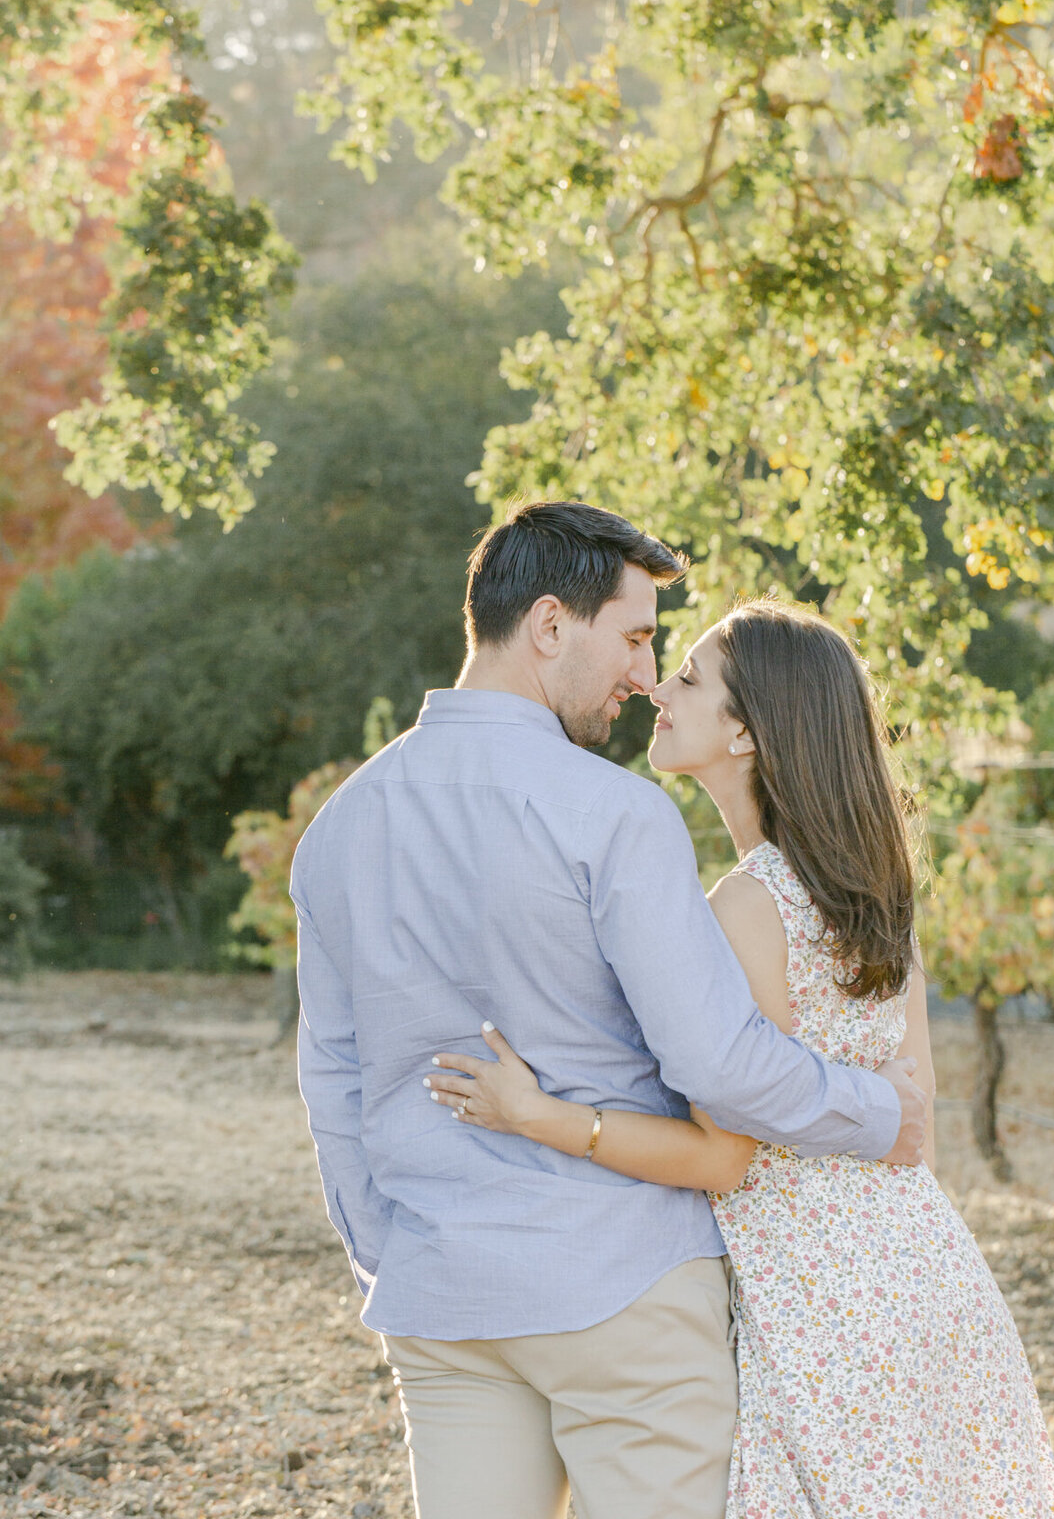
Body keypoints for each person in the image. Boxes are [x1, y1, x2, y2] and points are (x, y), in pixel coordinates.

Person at [292, 502, 927, 1519]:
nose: (644, 678)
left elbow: (332, 1074)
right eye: (635, 639)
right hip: (624, 1293)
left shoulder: (339, 826)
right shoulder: (614, 815)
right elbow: (717, 1063)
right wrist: (882, 1113)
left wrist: (392, 1249)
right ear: (549, 626)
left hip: (445, 1295)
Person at [429, 599, 1054, 1518]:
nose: (658, 687)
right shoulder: (872, 896)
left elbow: (722, 1152)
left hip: (818, 1317)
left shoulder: (747, 906)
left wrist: (545, 1118)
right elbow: (915, 1112)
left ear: (746, 733)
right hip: (926, 1280)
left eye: (688, 677)